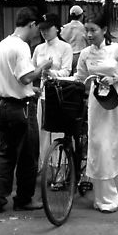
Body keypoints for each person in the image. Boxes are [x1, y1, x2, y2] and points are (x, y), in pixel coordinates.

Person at [73, 11, 118, 213]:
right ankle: (105, 199)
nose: (89, 34)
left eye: (93, 30)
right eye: (86, 30)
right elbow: (79, 77)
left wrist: (117, 78)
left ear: (104, 30)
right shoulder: (85, 54)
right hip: (97, 105)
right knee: (100, 147)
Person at [0, 7, 53, 214]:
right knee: (28, 156)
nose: (38, 32)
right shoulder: (21, 47)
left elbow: (11, 78)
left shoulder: (3, 44)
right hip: (22, 109)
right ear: (31, 24)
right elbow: (25, 77)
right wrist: (42, 67)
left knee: (6, 154)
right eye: (37, 27)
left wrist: (28, 89)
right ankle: (24, 198)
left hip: (3, 106)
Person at [32, 13, 73, 169]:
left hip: (58, 94)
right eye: (42, 29)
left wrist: (51, 73)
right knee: (42, 132)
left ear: (57, 28)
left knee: (57, 132)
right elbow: (32, 69)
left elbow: (67, 71)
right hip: (42, 95)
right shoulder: (38, 48)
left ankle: (60, 168)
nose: (44, 32)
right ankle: (43, 166)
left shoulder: (65, 47)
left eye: (48, 29)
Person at [60, 5, 87, 74]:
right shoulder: (84, 28)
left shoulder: (64, 28)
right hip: (79, 55)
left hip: (67, 55)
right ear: (81, 16)